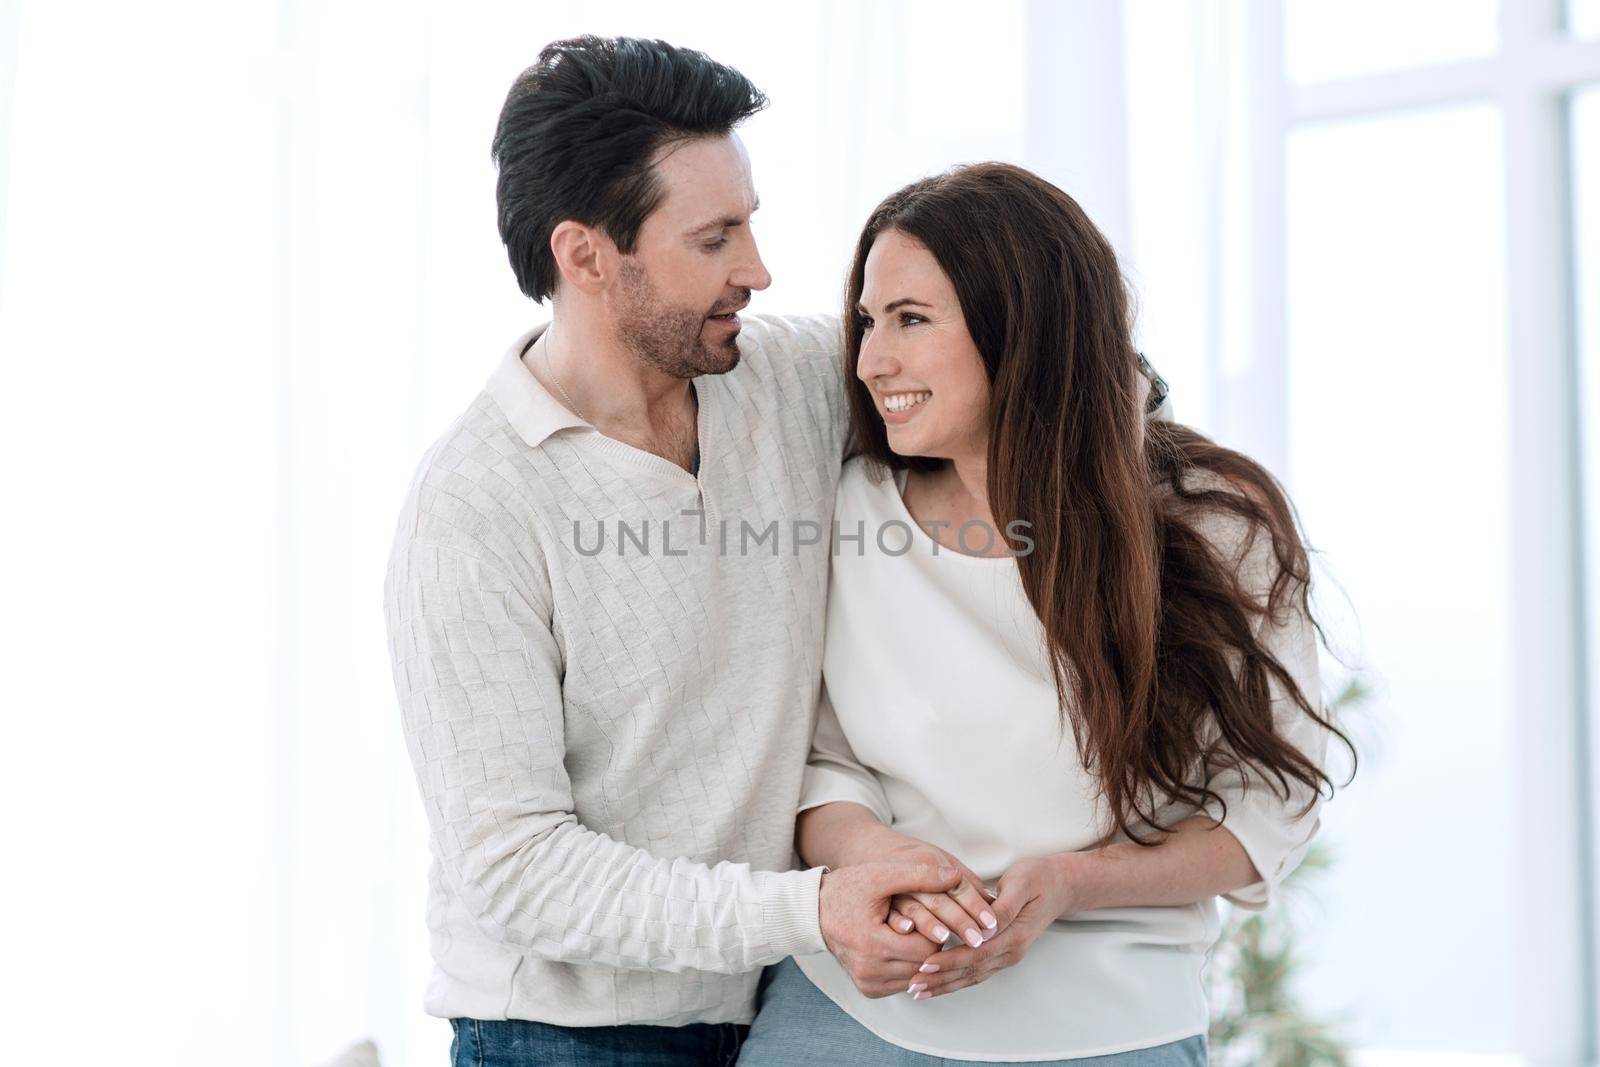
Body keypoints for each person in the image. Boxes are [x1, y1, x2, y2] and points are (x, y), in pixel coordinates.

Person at [382, 36, 987, 1067]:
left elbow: (1006, 363)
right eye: (714, 238)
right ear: (585, 256)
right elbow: (518, 868)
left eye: (748, 222)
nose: (758, 268)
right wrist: (811, 906)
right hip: (561, 1035)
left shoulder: (786, 377)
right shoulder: (474, 508)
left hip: (782, 1003)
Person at [736, 163, 1356, 1065]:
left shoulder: (1213, 522)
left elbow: (1268, 809)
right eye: (868, 323)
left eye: (911, 320)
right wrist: (877, 862)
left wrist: (1074, 882)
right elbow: (820, 760)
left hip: (1117, 1016)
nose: (871, 362)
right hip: (862, 999)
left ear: (1021, 328)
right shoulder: (851, 510)